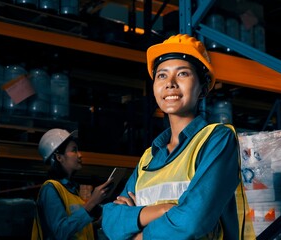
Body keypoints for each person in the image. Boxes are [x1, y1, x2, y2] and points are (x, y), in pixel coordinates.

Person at [101, 34, 255, 239]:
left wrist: (138, 233)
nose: (170, 83)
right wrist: (163, 209)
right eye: (162, 75)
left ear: (203, 86)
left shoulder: (217, 139)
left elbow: (192, 221)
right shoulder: (149, 157)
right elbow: (111, 222)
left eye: (182, 74)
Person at [34, 128, 113, 240]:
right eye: (74, 150)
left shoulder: (72, 190)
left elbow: (74, 229)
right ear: (59, 157)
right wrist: (92, 202)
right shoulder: (50, 189)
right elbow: (60, 232)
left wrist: (96, 225)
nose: (80, 155)